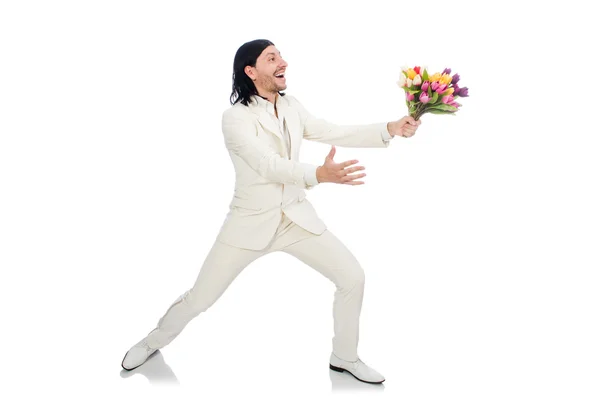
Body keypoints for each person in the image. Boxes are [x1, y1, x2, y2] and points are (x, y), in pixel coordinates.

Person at [121, 39, 421, 384]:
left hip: (296, 219)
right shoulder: (234, 119)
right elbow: (267, 165)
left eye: (281, 56)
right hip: (248, 224)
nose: (284, 63)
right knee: (200, 299)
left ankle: (345, 358)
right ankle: (151, 342)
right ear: (251, 71)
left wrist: (389, 129)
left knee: (352, 277)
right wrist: (317, 175)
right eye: (272, 58)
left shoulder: (292, 106)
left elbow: (330, 131)